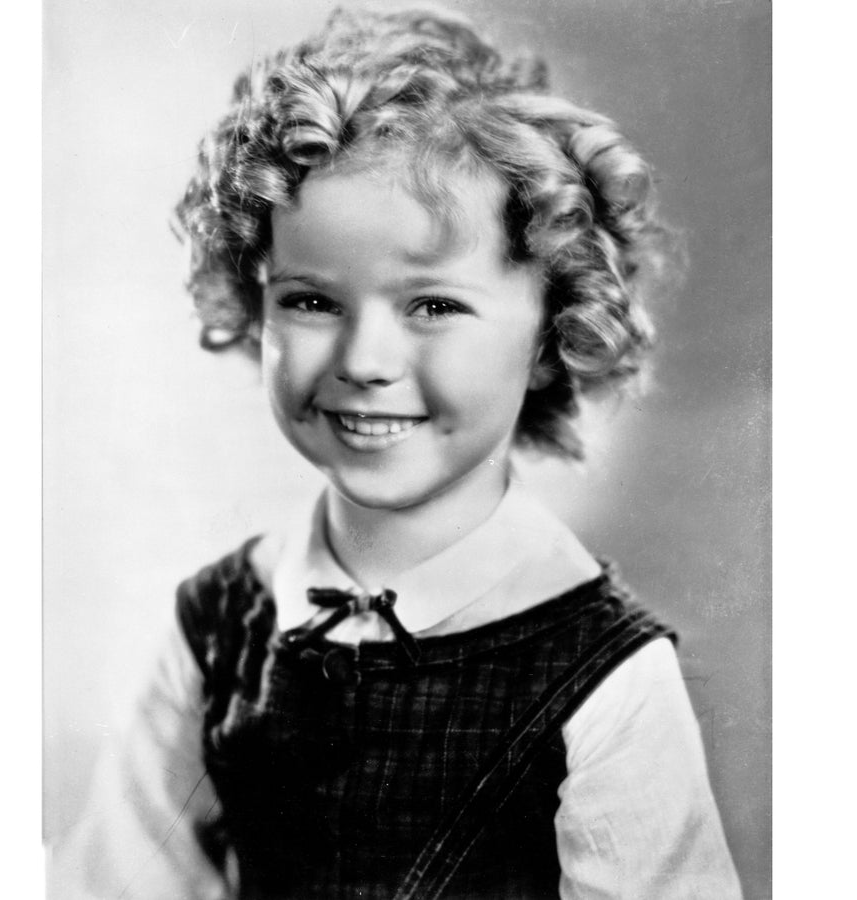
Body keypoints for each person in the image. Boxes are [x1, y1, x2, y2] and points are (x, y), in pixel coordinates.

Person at [50, 7, 743, 898]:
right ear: (251, 300)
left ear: (547, 336)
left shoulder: (605, 676)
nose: (364, 362)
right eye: (310, 301)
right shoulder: (218, 625)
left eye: (433, 306)